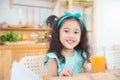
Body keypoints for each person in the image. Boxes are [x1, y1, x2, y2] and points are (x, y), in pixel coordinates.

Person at [45, 11, 91, 79]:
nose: (71, 36)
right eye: (66, 31)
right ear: (58, 33)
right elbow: (51, 78)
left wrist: (98, 70)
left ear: (81, 36)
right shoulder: (54, 58)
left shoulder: (81, 55)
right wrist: (61, 77)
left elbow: (88, 75)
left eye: (76, 32)